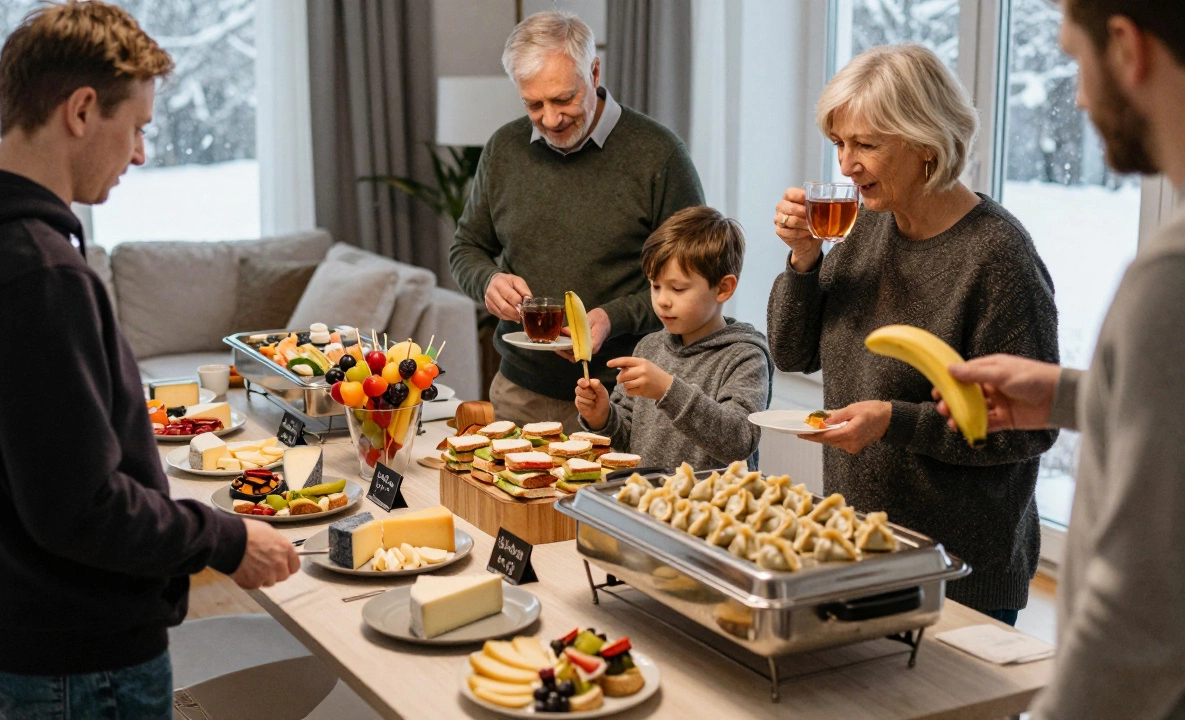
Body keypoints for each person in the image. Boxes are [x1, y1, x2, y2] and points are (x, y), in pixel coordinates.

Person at [0, 3, 299, 717]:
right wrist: (224, 539)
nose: (140, 153)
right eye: (136, 127)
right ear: (80, 111)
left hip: (5, 618)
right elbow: (81, 509)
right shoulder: (38, 273)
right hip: (80, 650)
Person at [933, 0, 1185, 715]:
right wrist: (1069, 394)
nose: (1078, 94)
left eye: (1074, 60)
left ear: (1128, 47)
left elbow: (1143, 626)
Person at [766, 44, 1059, 625]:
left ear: (927, 144)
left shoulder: (997, 256)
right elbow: (791, 351)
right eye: (839, 145)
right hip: (860, 547)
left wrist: (895, 422)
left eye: (866, 145)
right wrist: (803, 260)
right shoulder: (868, 226)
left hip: (961, 571)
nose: (846, 165)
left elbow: (1031, 428)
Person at [449, 10, 704, 433]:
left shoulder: (659, 154)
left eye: (564, 99)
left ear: (595, 70)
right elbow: (466, 248)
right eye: (534, 104)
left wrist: (612, 317)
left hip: (626, 396)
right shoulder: (504, 149)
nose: (551, 119)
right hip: (520, 392)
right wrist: (487, 282)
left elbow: (695, 281)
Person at [574, 206, 773, 469]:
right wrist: (602, 418)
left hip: (713, 508)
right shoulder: (649, 347)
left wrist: (668, 390)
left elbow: (739, 442)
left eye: (677, 288)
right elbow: (625, 443)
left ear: (723, 289)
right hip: (646, 503)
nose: (662, 301)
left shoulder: (745, 357)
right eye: (655, 286)